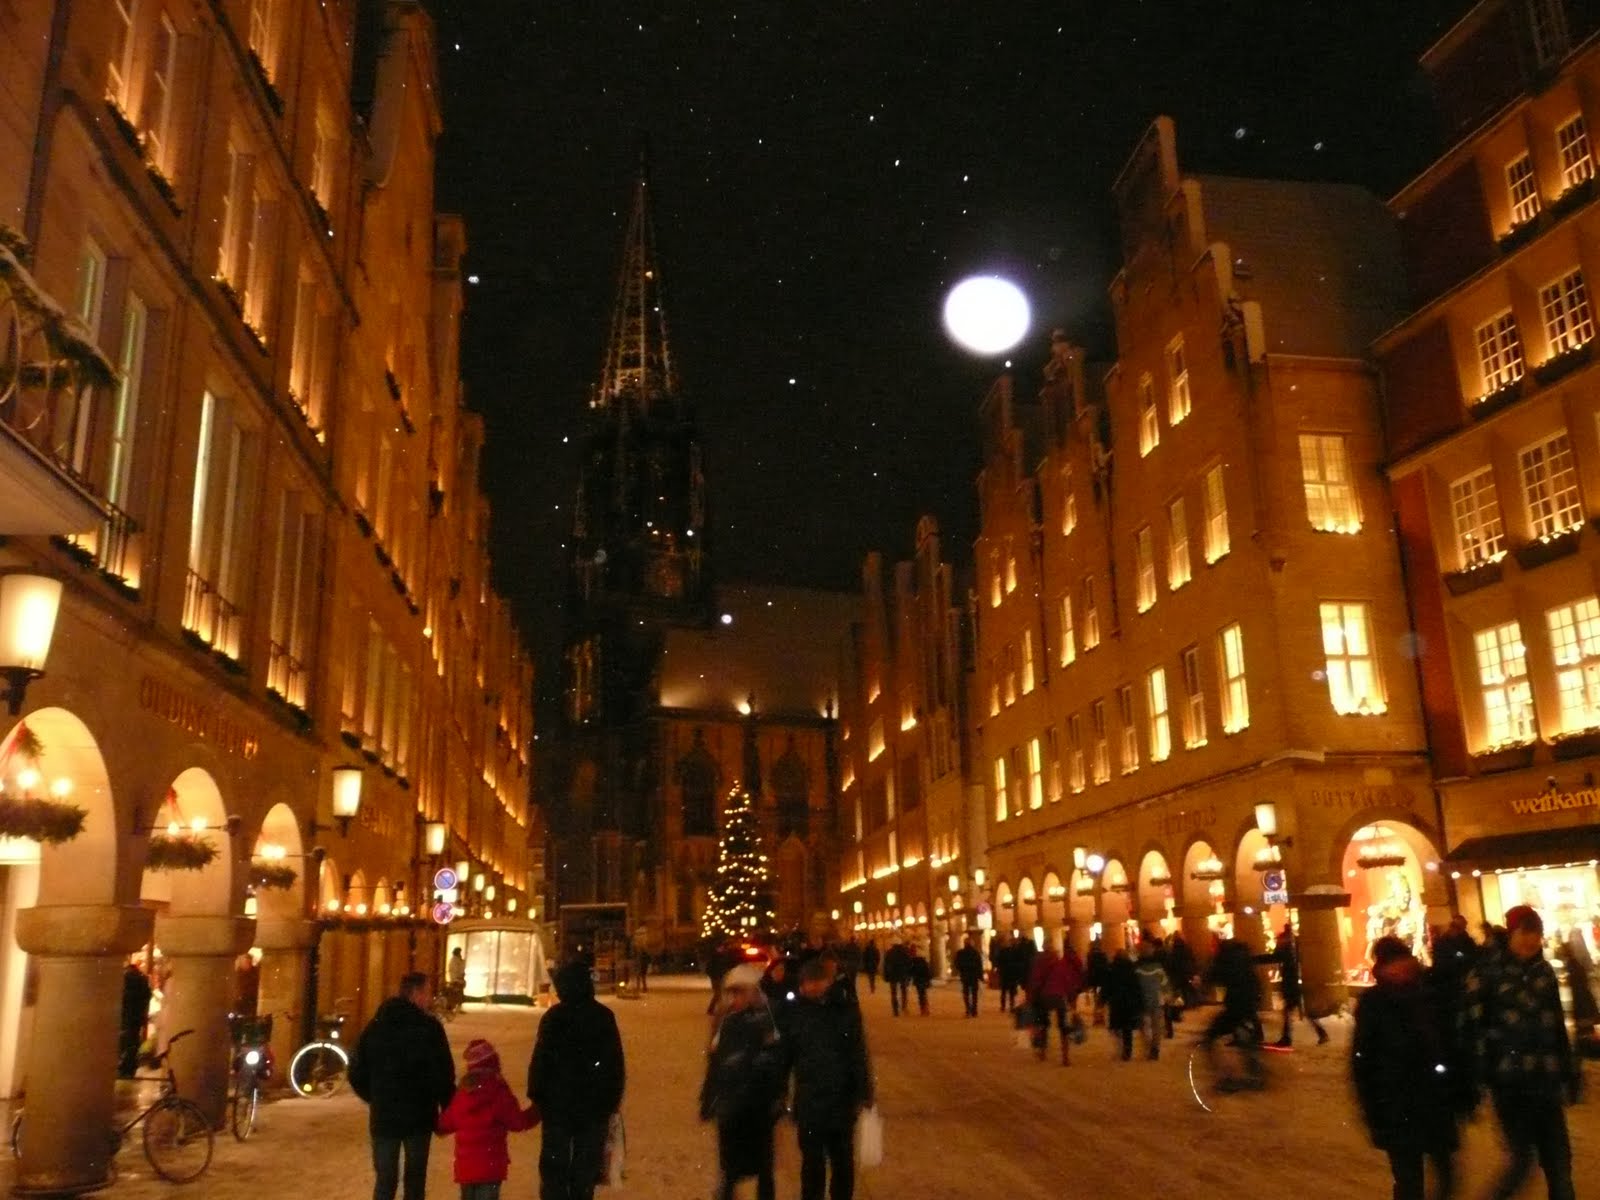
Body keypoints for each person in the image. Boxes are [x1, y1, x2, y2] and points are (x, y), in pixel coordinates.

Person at [1463, 905, 1581, 1200]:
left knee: (1559, 1165)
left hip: (1547, 1080)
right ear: (1511, 934)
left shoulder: (1544, 972)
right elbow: (1470, 1028)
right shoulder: (1487, 973)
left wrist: (1570, 1072)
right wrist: (1479, 1077)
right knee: (1521, 1162)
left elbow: (1556, 1026)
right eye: (1525, 933)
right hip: (1511, 1084)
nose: (1531, 940)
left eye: (1537, 934)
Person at [1351, 937, 1462, 1200]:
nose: (1399, 969)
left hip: (1433, 1101)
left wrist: (1459, 1089)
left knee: (1446, 1178)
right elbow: (1362, 1062)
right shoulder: (1374, 1003)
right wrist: (1372, 1109)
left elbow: (1448, 1045)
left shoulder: (1428, 993)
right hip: (1396, 1106)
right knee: (1410, 1183)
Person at [350, 972, 457, 1200]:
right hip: (419, 1116)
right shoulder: (430, 1029)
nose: (431, 998)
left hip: (384, 1115)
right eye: (428, 992)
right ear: (416, 994)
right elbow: (444, 1072)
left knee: (385, 1179)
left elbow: (356, 1069)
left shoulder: (376, 1026)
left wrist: (375, 1095)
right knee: (415, 1180)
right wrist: (448, 1108)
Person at [530, 961, 625, 1200]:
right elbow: (614, 1063)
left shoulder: (554, 1017)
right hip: (593, 1107)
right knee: (586, 1165)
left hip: (557, 1105)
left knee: (554, 1165)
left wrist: (537, 1094)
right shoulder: (603, 1017)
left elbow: (541, 1059)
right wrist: (611, 1100)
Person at [786, 956, 874, 1200]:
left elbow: (858, 1053)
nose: (810, 987)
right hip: (809, 1100)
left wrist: (864, 1091)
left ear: (827, 982)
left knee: (842, 1160)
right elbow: (785, 1057)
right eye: (806, 983)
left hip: (841, 1099)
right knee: (812, 1162)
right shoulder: (795, 1014)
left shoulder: (845, 1010)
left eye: (816, 982)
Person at [700, 963, 786, 1200]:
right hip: (731, 1104)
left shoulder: (769, 1017)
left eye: (741, 992)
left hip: (758, 1105)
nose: (735, 998)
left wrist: (777, 1096)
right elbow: (715, 1061)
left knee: (763, 1166)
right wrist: (708, 1098)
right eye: (732, 992)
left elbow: (777, 1060)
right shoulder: (725, 1020)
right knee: (730, 1167)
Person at [437, 1038, 540, 1200]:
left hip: (466, 1169)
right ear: (494, 1063)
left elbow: (445, 1123)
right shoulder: (498, 1091)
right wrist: (537, 1111)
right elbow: (518, 1122)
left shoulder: (462, 1094)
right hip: (491, 1169)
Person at [1200, 939, 1265, 1091]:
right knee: (1247, 1043)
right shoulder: (1244, 963)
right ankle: (1254, 1074)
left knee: (1210, 1039)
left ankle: (1228, 1076)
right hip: (1247, 1010)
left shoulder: (1226, 962)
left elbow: (1213, 977)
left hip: (1234, 1010)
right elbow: (1256, 988)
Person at [1263, 925, 1326, 1047]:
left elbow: (1275, 957)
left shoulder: (1287, 949)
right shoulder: (1292, 946)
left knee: (1289, 1011)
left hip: (1291, 983)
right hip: (1292, 982)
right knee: (1296, 1011)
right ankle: (1320, 1033)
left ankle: (1287, 1038)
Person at [1026, 940, 1084, 1065]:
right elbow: (1067, 981)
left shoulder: (1039, 962)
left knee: (1043, 1024)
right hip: (1059, 997)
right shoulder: (1060, 963)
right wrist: (1071, 998)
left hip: (1043, 997)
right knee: (1063, 1026)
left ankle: (1042, 1050)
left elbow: (1035, 981)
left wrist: (1030, 997)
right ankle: (1065, 1056)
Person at [1104, 949, 1143, 1061]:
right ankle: (1127, 1051)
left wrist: (1103, 999)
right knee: (1127, 1029)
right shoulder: (1131, 968)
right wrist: (1139, 1001)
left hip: (1116, 1002)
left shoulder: (1112, 968)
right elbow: (1136, 986)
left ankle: (1120, 1048)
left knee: (1117, 1027)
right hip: (1129, 1002)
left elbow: (1107, 986)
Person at [1134, 939, 1167, 1058]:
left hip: (1142, 999)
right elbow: (1164, 982)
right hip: (1156, 999)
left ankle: (1149, 1046)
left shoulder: (1136, 968)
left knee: (1143, 1025)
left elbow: (1134, 985)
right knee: (1156, 1025)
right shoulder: (1158, 967)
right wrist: (1167, 994)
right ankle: (1155, 1047)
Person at [119, 960, 153, 1078]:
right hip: (136, 1017)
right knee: (132, 1042)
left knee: (124, 1042)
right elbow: (147, 996)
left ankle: (124, 1068)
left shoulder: (125, 980)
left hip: (125, 1016)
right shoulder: (142, 979)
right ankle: (129, 1069)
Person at [953, 935, 985, 1018]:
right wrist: (980, 976)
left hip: (965, 975)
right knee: (974, 994)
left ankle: (968, 1010)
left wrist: (961, 970)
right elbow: (979, 965)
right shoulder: (975, 953)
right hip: (974, 975)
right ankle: (974, 1010)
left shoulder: (960, 953)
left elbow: (957, 964)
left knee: (966, 993)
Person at [881, 941, 910, 1017]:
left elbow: (886, 965)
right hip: (903, 974)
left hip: (893, 975)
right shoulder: (905, 952)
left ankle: (895, 1010)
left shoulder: (889, 952)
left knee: (893, 992)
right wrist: (908, 974)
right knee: (904, 991)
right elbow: (909, 963)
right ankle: (904, 1006)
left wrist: (886, 976)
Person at [907, 945, 932, 1015]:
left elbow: (911, 971)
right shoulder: (923, 961)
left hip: (918, 979)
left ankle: (923, 1009)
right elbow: (928, 971)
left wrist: (909, 978)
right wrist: (929, 979)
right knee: (923, 993)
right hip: (924, 979)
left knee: (921, 994)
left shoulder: (913, 962)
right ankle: (926, 1008)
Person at [446, 947, 468, 1011]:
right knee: (457, 994)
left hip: (457, 979)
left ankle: (457, 1007)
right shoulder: (454, 961)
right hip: (456, 979)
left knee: (458, 994)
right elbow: (455, 970)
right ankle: (455, 1007)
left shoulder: (457, 960)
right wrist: (459, 977)